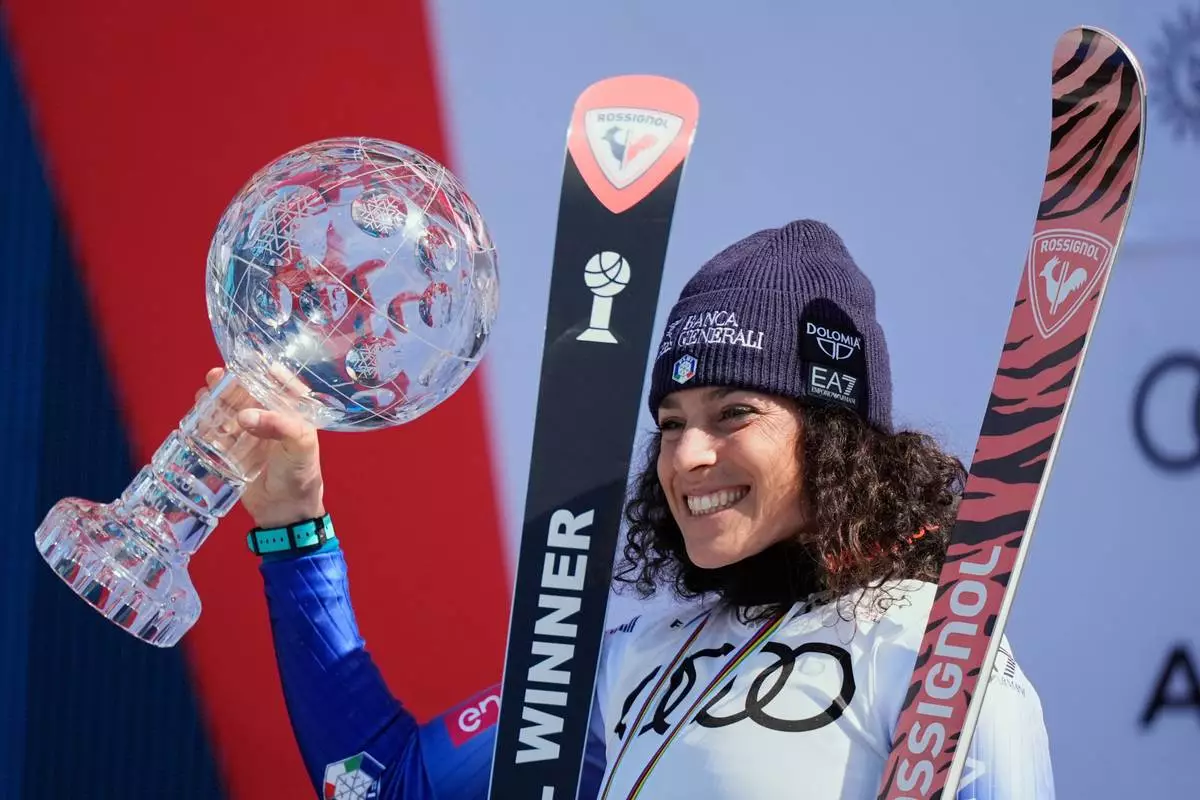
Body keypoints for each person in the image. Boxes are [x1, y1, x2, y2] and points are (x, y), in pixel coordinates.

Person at [228, 219, 1056, 799]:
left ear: (835, 438)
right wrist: (293, 527)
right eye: (670, 423)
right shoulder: (637, 660)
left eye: (734, 414)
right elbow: (379, 786)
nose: (686, 457)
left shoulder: (933, 651)